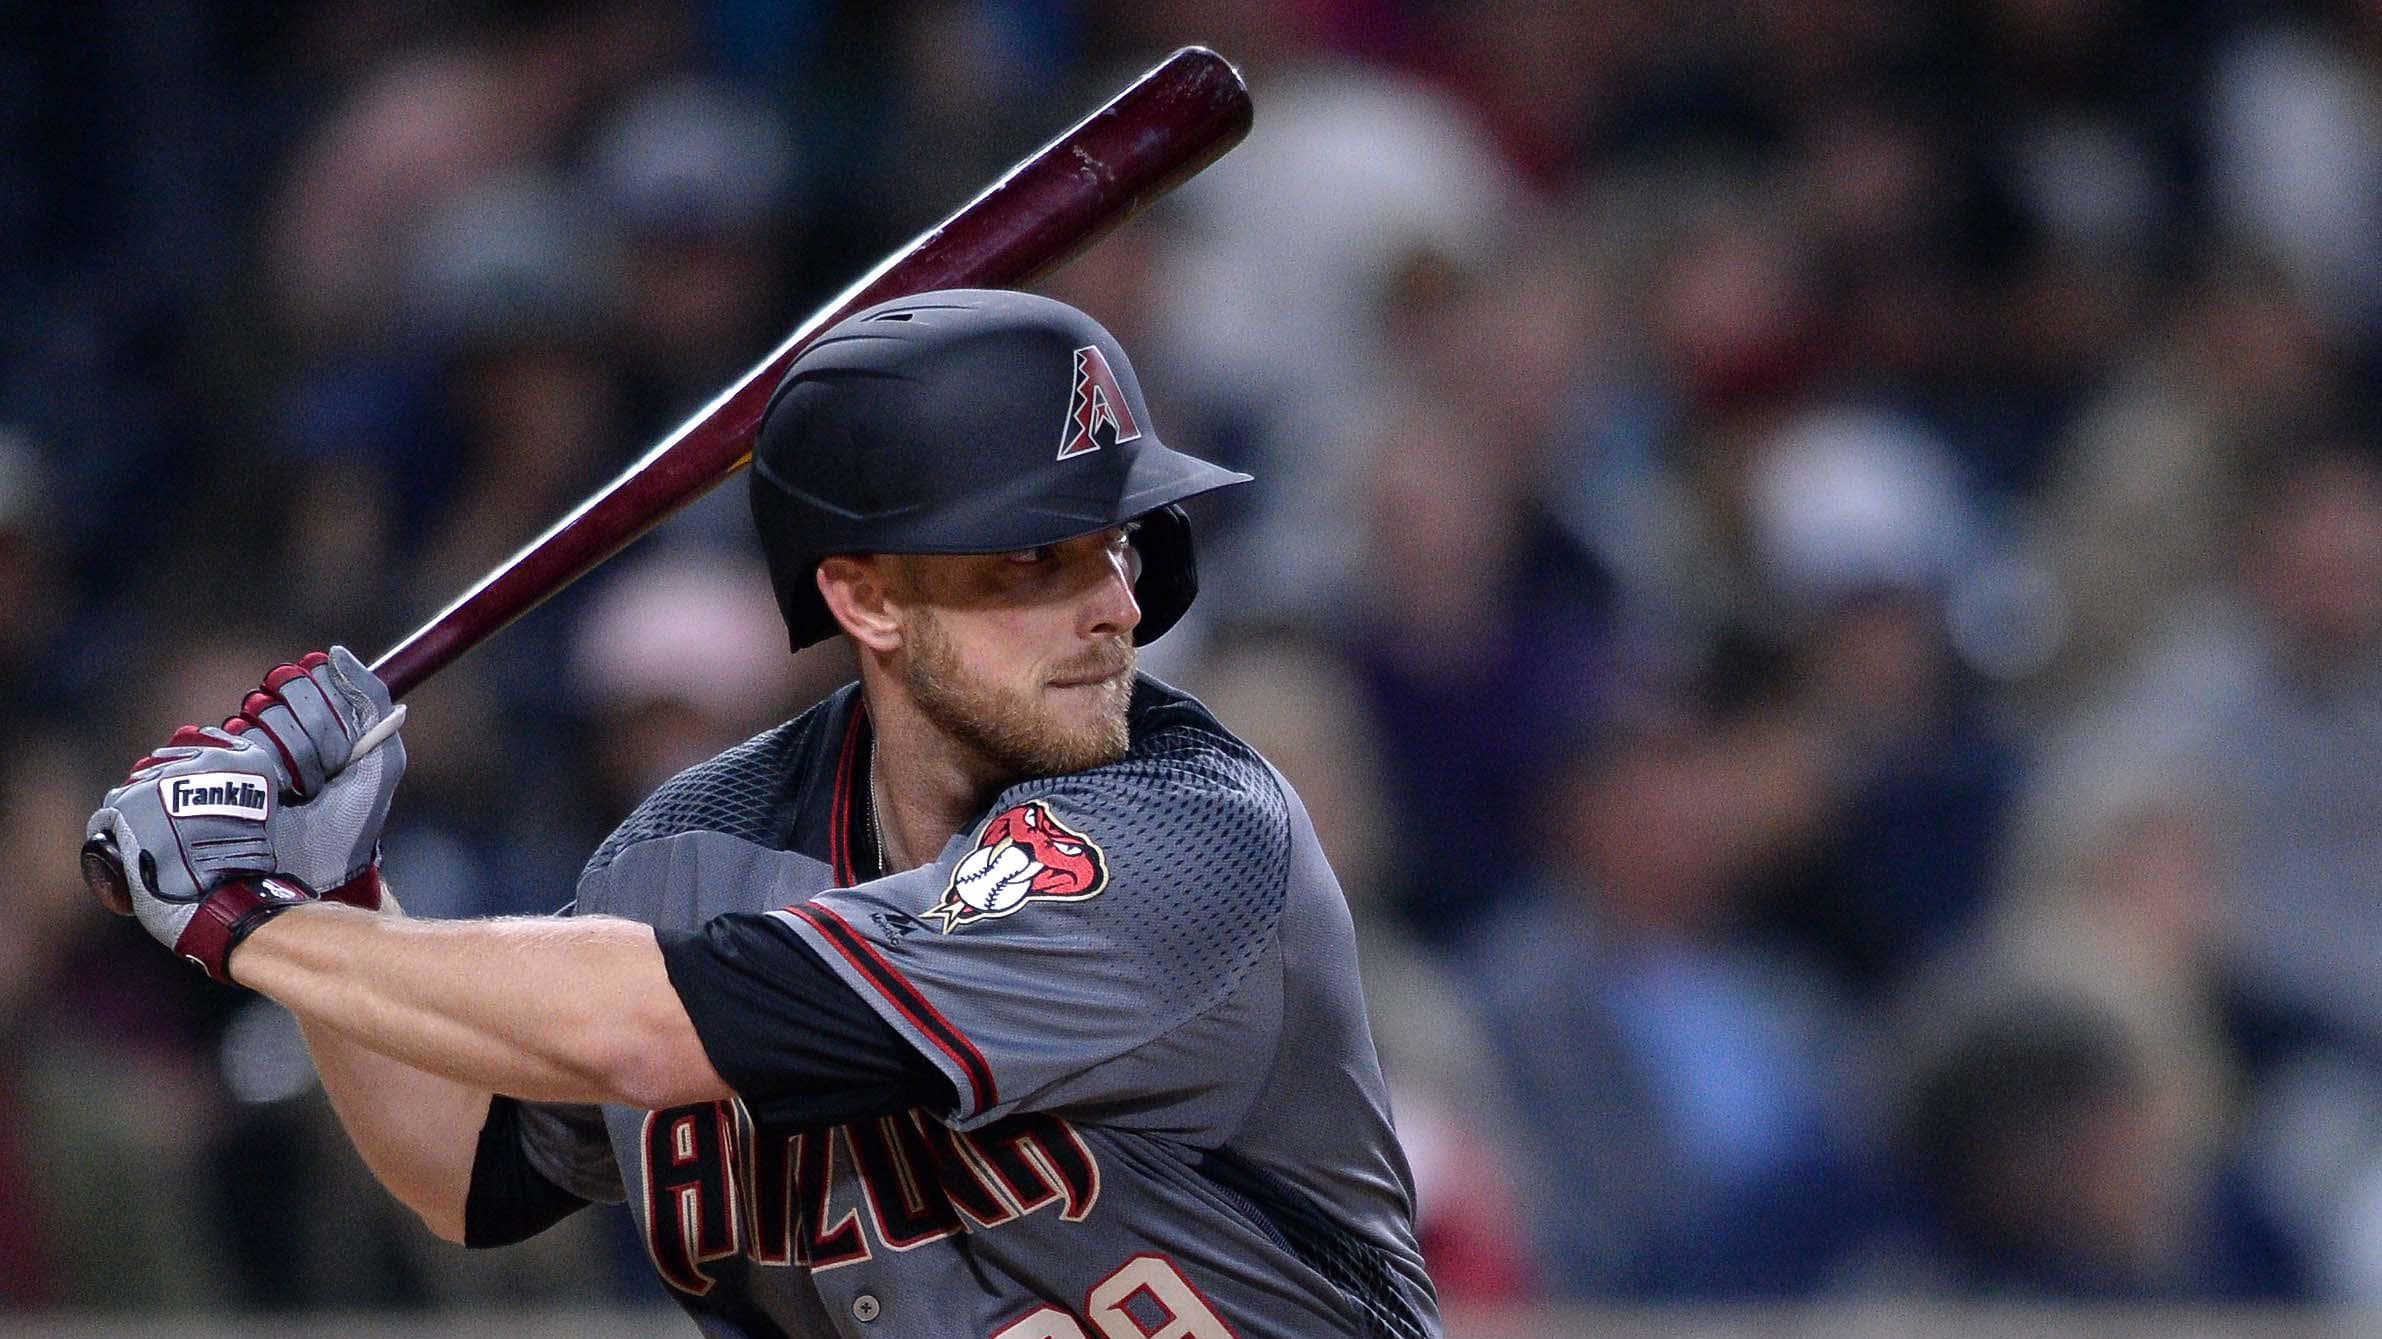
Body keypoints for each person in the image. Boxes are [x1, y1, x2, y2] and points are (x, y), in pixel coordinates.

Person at [85, 290, 1443, 1338]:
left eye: (1116, 542)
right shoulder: (690, 851)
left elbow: (652, 1028)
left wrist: (240, 917)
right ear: (864, 600)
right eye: (1035, 554)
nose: (1115, 603)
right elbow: (473, 1176)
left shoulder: (1190, 832)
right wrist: (336, 905)